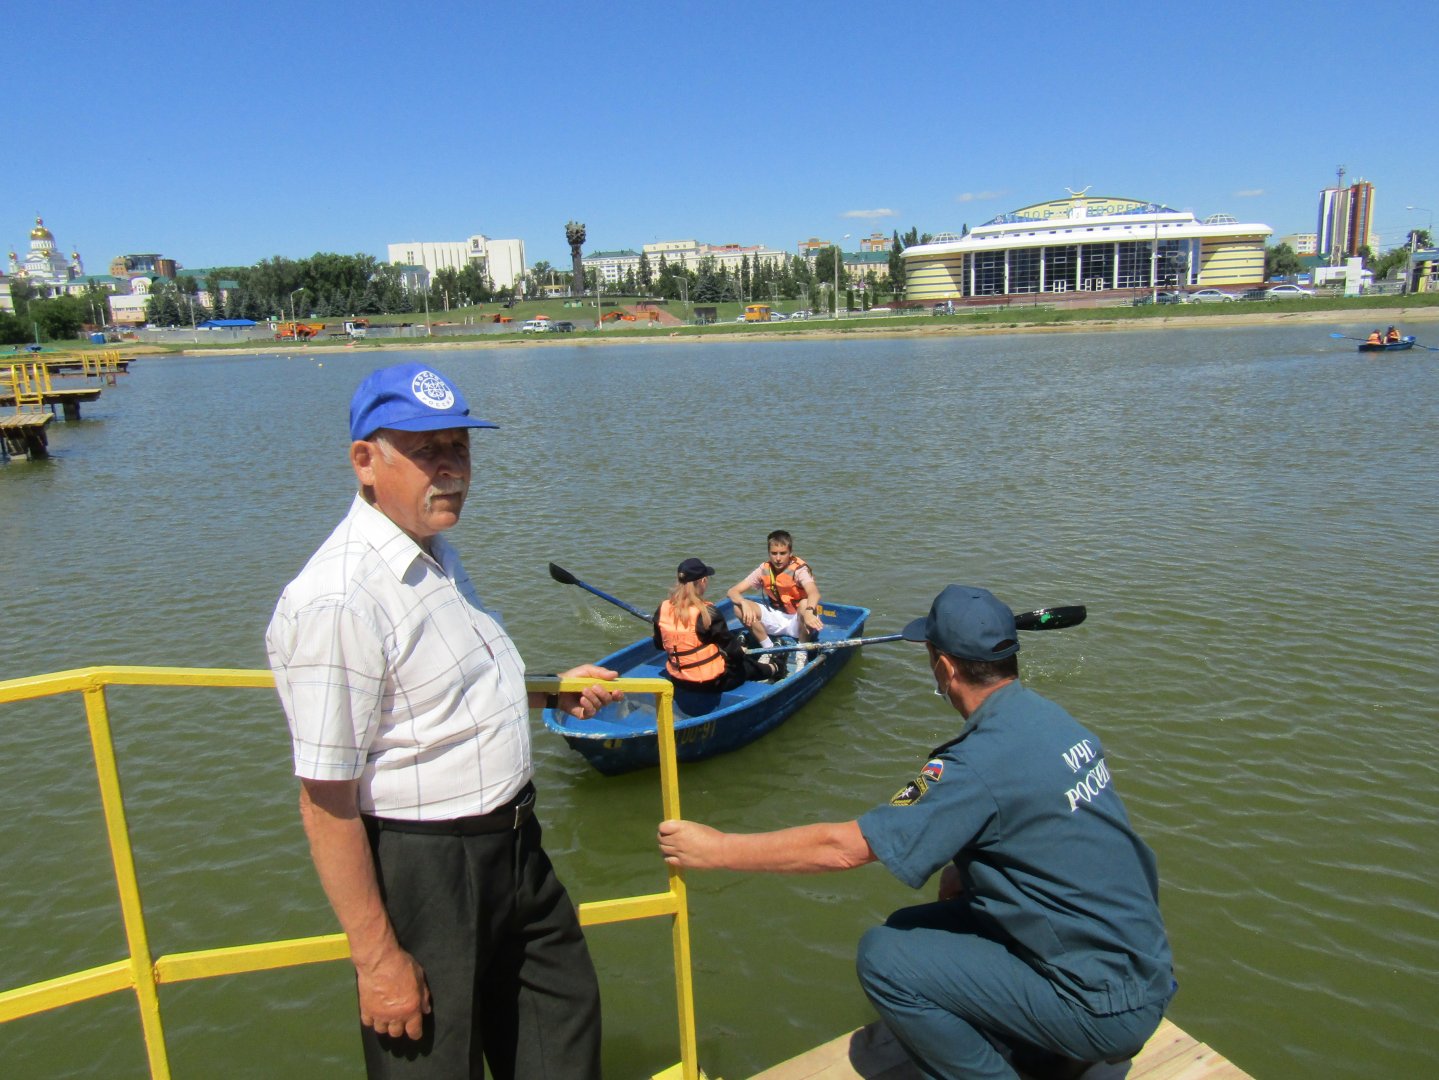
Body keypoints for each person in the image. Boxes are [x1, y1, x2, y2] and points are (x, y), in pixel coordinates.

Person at [658, 585, 1175, 1080]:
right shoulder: (1053, 722)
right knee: (912, 925)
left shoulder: (972, 765)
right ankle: (1045, 1056)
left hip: (1099, 1005)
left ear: (945, 668)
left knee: (884, 959)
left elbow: (845, 848)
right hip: (1141, 969)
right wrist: (967, 870)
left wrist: (717, 848)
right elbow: (1045, 826)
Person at [266, 362, 620, 1079]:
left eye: (460, 447)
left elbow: (438, 689)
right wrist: (377, 959)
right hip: (427, 869)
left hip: (515, 850)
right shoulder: (339, 599)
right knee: (432, 1062)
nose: (451, 468)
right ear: (365, 462)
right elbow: (326, 799)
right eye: (427, 450)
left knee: (563, 1027)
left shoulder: (434, 553)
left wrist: (546, 692)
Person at [653, 558, 780, 692]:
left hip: (678, 679)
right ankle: (776, 668)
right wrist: (739, 651)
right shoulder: (708, 613)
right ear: (703, 581)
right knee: (746, 665)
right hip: (711, 683)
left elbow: (659, 645)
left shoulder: (662, 609)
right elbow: (735, 654)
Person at [725, 529, 823, 652]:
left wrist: (809, 611)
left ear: (790, 553)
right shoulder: (764, 569)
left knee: (805, 603)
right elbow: (732, 591)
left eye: (783, 553)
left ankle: (802, 651)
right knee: (738, 607)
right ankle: (768, 648)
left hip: (798, 621)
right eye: (774, 553)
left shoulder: (799, 571)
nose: (778, 558)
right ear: (769, 553)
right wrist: (743, 603)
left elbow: (814, 593)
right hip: (776, 618)